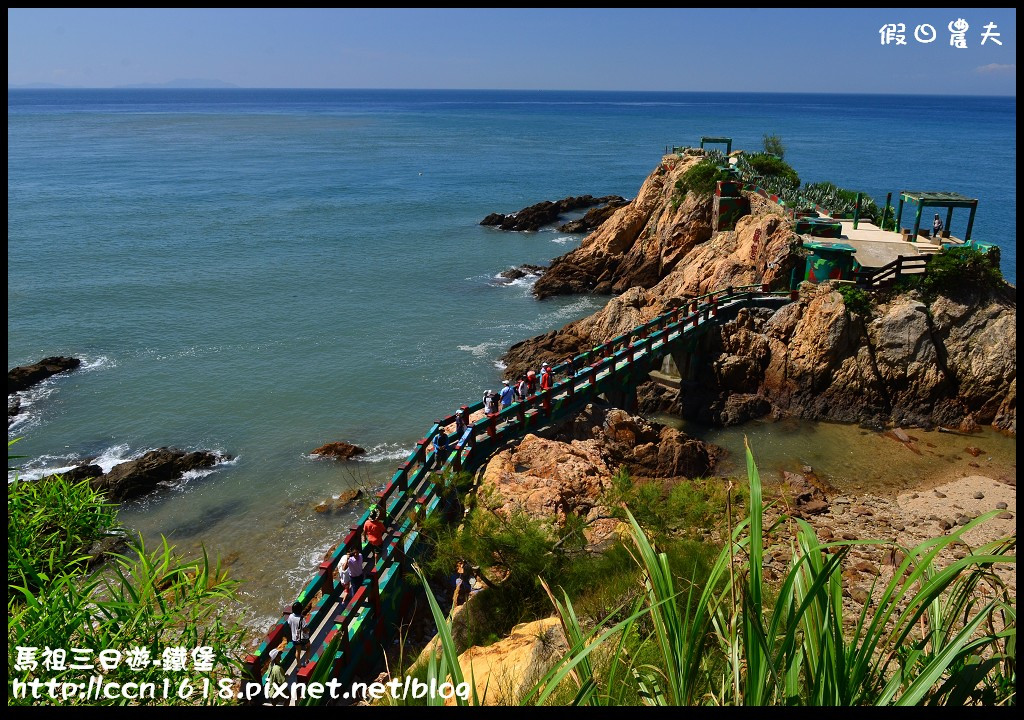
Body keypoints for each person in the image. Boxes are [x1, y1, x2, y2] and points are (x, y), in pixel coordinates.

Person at [287, 602, 310, 668]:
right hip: (303, 638)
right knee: (308, 647)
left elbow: (289, 624)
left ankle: (298, 666)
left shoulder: (290, 616)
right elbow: (305, 629)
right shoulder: (301, 619)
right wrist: (308, 630)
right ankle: (307, 661)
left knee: (297, 651)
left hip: (295, 638)